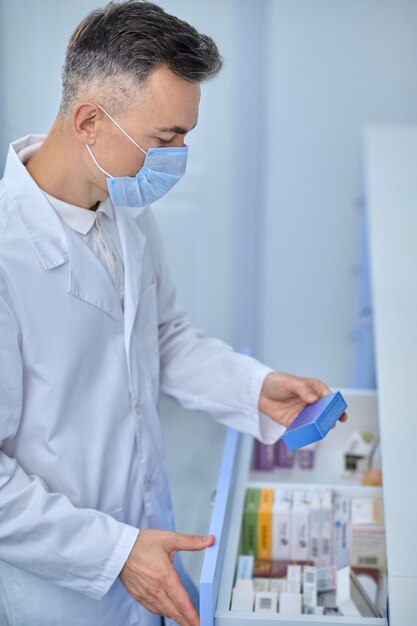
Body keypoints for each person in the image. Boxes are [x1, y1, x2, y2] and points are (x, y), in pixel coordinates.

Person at [0, 2, 347, 625]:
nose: (179, 157)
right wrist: (114, 552)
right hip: (61, 586)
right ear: (88, 121)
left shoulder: (123, 204)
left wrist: (255, 387)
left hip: (148, 532)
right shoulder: (6, 258)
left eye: (185, 136)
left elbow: (161, 338)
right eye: (166, 139)